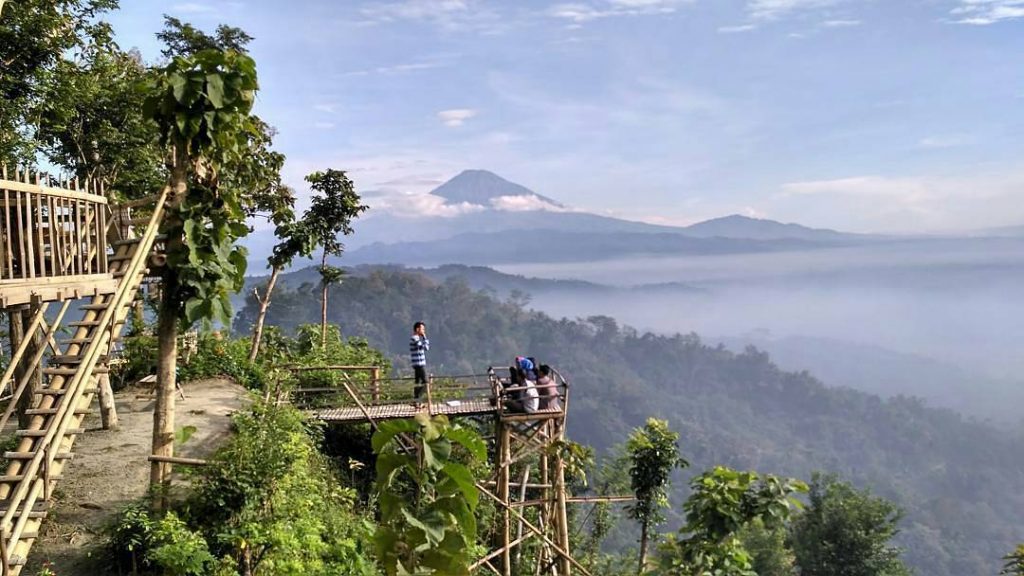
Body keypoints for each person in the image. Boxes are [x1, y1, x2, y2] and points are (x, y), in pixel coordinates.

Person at [410, 321, 429, 399]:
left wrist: (424, 340)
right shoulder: (414, 338)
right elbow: (424, 347)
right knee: (426, 382)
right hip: (419, 364)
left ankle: (416, 401)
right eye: (422, 329)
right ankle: (417, 398)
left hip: (418, 364)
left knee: (417, 383)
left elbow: (426, 347)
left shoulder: (417, 339)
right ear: (417, 329)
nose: (423, 331)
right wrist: (424, 337)